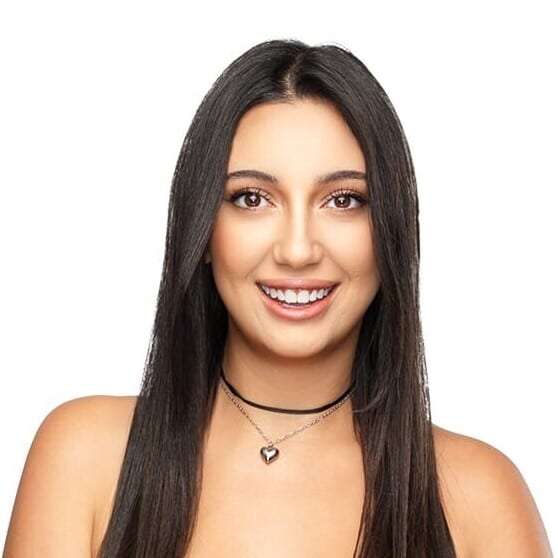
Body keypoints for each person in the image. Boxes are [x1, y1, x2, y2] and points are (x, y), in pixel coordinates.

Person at [3, 39, 552, 558]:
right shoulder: (84, 457)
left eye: (343, 200)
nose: (297, 250)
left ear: (390, 232)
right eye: (252, 198)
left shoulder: (480, 497)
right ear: (203, 231)